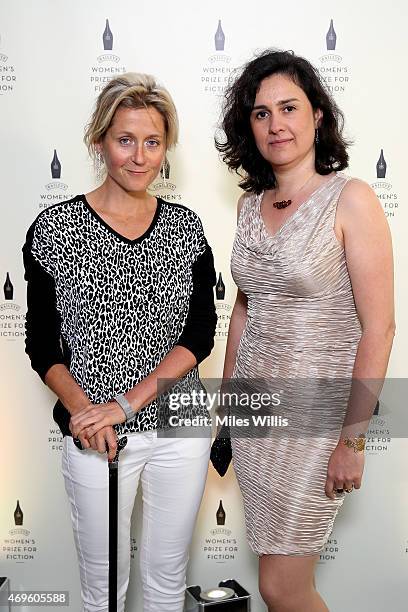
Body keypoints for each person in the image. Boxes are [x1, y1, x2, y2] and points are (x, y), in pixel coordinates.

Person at [23, 73, 217, 612]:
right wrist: (88, 412)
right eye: (124, 140)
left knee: (164, 583)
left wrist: (125, 404)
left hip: (180, 426)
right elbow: (42, 344)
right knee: (104, 591)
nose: (139, 157)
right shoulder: (53, 228)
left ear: (166, 149)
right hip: (96, 436)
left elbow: (199, 334)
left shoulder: (186, 227)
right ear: (99, 140)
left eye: (152, 142)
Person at [216, 50, 394, 612]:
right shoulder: (249, 207)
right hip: (257, 420)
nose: (276, 125)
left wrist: (352, 440)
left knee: (280, 587)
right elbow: (244, 312)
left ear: (317, 114)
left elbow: (380, 329)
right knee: (280, 582)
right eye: (261, 113)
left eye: (288, 107)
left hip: (317, 420)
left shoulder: (352, 199)